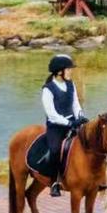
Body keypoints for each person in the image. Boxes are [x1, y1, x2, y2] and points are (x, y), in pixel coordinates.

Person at [39, 53, 85, 197]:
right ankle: (54, 182)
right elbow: (51, 114)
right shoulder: (48, 89)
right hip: (56, 127)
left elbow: (76, 104)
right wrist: (69, 123)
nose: (71, 71)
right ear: (60, 71)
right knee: (55, 150)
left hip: (73, 122)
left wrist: (80, 117)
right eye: (69, 69)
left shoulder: (71, 84)